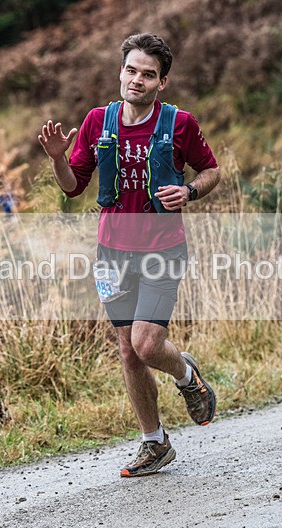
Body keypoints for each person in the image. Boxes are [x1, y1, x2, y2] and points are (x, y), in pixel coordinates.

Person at [38, 33, 220, 477]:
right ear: (121, 71)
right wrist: (59, 158)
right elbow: (71, 185)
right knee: (128, 352)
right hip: (112, 253)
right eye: (131, 70)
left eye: (148, 74)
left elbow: (212, 170)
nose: (136, 80)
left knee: (146, 343)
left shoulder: (179, 123)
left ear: (162, 83)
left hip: (162, 249)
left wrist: (190, 190)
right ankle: (154, 442)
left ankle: (185, 375)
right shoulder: (99, 120)